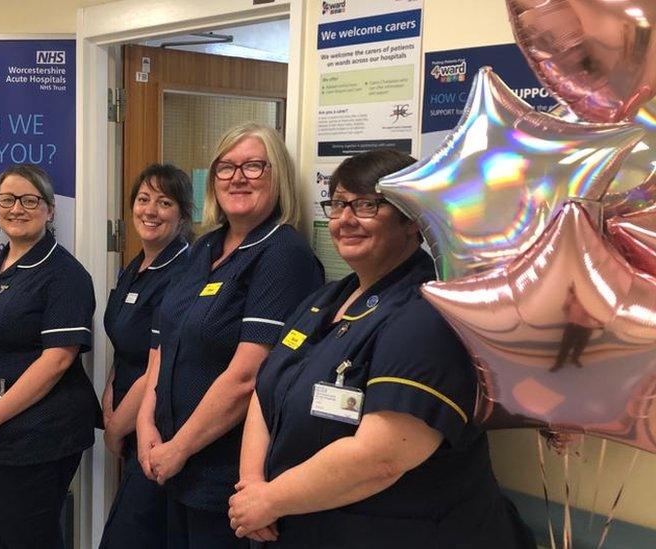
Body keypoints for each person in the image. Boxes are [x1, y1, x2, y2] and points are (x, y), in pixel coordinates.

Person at [228, 149, 536, 548]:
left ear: (412, 218)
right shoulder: (325, 300)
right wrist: (252, 484)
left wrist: (270, 499)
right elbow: (266, 389)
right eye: (338, 204)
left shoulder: (429, 314)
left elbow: (381, 457)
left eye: (367, 205)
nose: (346, 219)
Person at [136, 122, 325, 548]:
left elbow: (247, 376)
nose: (238, 177)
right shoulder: (205, 246)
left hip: (223, 473)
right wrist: (146, 422)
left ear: (277, 176)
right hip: (170, 459)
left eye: (254, 166)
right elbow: (167, 341)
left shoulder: (283, 255)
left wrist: (178, 447)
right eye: (226, 167)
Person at [0, 164, 99, 549]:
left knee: (28, 539)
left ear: (49, 209)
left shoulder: (65, 275)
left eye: (30, 200)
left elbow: (58, 359)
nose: (17, 209)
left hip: (37, 432)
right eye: (7, 199)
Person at [99, 164, 194, 548]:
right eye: (143, 199)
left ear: (183, 215)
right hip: (124, 418)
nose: (150, 210)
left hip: (158, 425)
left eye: (164, 202)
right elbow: (122, 344)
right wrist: (108, 402)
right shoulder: (134, 266)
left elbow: (160, 360)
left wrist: (116, 424)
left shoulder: (185, 272)